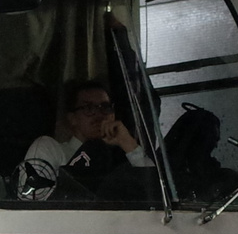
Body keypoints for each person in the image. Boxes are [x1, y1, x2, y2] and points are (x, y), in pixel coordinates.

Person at [18, 80, 153, 200]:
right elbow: (32, 201)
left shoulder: (123, 160)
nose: (99, 114)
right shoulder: (51, 148)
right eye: (88, 108)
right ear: (72, 118)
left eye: (105, 107)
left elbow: (155, 193)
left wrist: (128, 143)